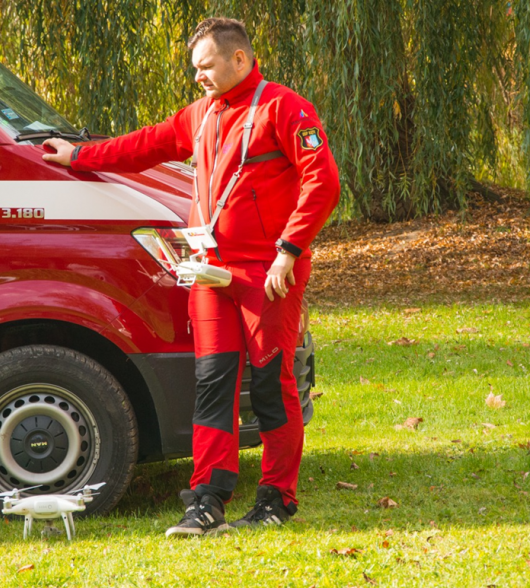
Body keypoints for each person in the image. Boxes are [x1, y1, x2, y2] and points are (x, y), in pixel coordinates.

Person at [42, 17, 340, 536]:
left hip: (266, 275)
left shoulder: (284, 107)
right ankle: (206, 500)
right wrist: (79, 156)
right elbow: (142, 146)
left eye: (206, 66)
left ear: (240, 60)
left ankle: (276, 498)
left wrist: (289, 252)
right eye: (195, 68)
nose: (197, 76)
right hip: (209, 274)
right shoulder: (200, 115)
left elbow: (324, 180)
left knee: (272, 384)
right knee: (211, 385)